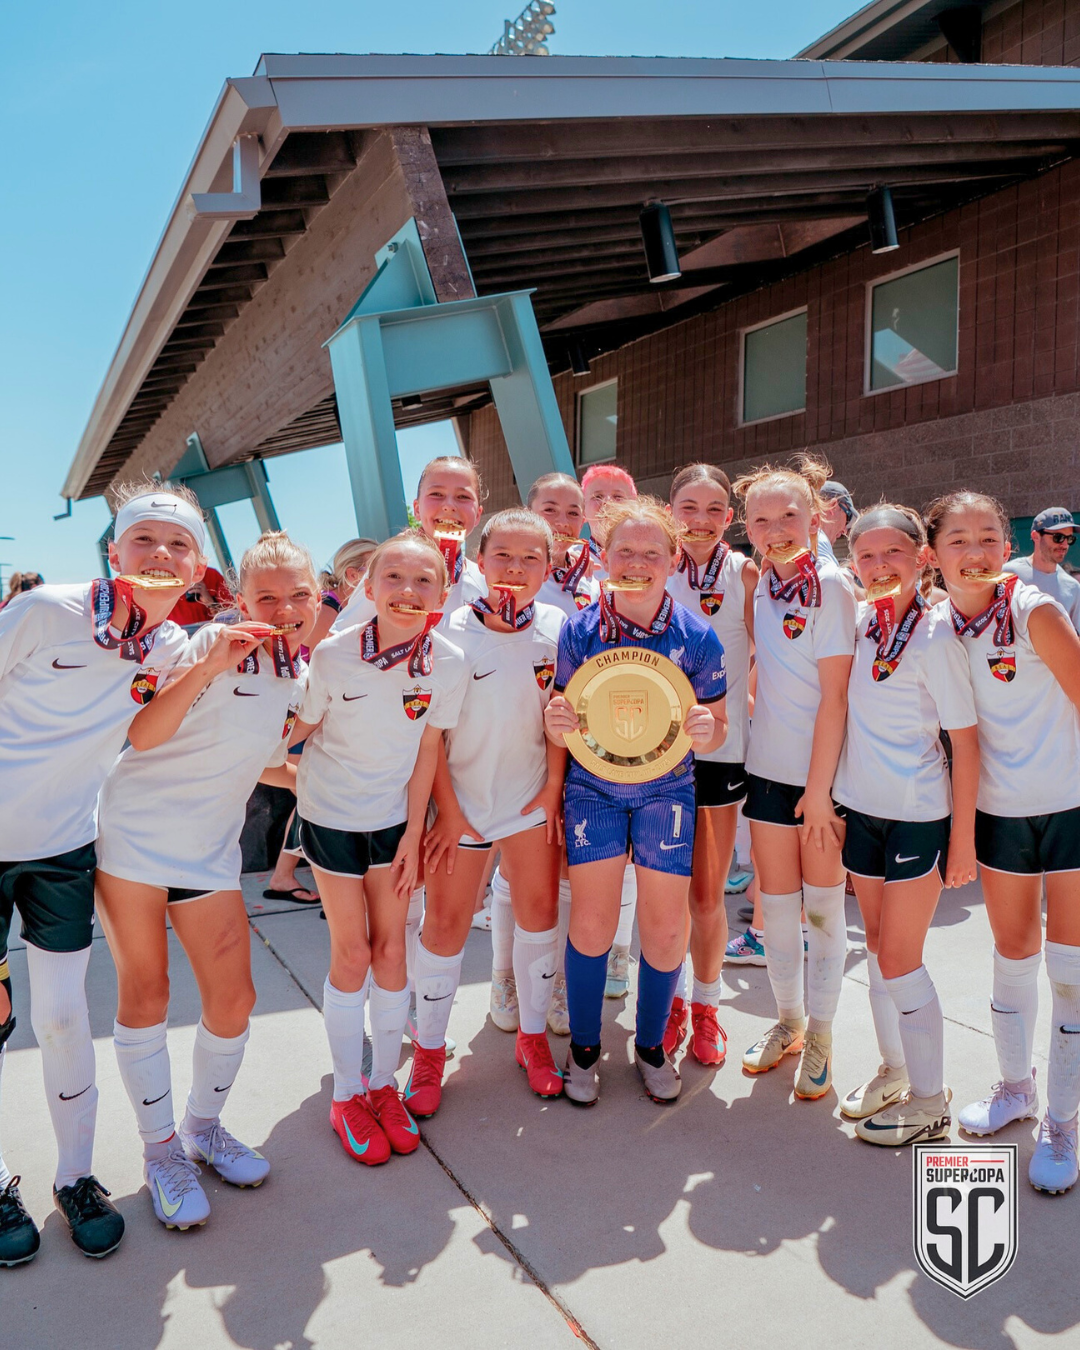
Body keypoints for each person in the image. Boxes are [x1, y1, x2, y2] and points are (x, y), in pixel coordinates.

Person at [94, 532, 318, 1230]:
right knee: (149, 992)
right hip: (133, 837)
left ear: (317, 598)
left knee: (235, 998)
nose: (284, 608)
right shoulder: (196, 645)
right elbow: (142, 736)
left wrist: (316, 777)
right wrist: (211, 663)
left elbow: (256, 758)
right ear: (240, 599)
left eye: (299, 595)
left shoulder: (299, 674)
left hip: (209, 850)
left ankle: (202, 1127)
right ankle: (161, 1153)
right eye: (268, 596)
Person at [0, 483, 196, 1266]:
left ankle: (76, 1178)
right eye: (144, 539)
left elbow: (144, 735)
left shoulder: (172, 646)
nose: (161, 554)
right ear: (114, 551)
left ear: (195, 567)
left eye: (179, 545)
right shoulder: (47, 609)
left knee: (60, 1017)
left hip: (63, 848)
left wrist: (210, 667)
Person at [544, 496, 727, 1106]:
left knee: (665, 926)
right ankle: (586, 1049)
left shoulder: (696, 633)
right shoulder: (579, 628)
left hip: (666, 789)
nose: (639, 561)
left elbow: (719, 724)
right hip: (593, 787)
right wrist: (556, 717)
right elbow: (563, 716)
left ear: (675, 559)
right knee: (593, 922)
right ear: (602, 555)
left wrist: (708, 728)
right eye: (625, 549)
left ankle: (652, 1046)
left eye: (653, 551)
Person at [291, 531, 467, 1165]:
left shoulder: (448, 662)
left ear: (443, 594)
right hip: (331, 818)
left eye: (425, 581)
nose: (408, 591)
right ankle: (345, 1096)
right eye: (394, 577)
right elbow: (295, 733)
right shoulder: (333, 657)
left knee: (394, 949)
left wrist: (417, 831)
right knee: (354, 949)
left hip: (394, 824)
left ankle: (382, 1086)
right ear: (368, 587)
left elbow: (427, 749)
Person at [928, 491, 1080, 1194]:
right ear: (933, 555)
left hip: (1069, 807)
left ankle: (1063, 1121)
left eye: (989, 536)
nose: (976, 551)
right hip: (999, 816)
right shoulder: (935, 628)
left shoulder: (1035, 609)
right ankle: (1017, 1090)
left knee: (1069, 972)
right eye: (957, 539)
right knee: (1012, 955)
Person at [832, 506, 979, 1146]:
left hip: (920, 815)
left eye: (893, 552)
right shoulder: (860, 623)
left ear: (922, 558)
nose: (879, 566)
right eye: (866, 556)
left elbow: (967, 745)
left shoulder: (939, 635)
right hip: (861, 809)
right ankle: (895, 1071)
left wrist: (963, 841)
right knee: (878, 949)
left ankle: (929, 1100)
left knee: (898, 958)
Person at [421, 509, 567, 1104]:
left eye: (531, 557)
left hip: (530, 798)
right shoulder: (447, 630)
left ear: (549, 568)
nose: (514, 568)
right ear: (478, 563)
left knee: (538, 914)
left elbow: (562, 715)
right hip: (460, 804)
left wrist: (553, 788)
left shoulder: (559, 626)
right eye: (502, 555)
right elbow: (428, 736)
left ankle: (532, 1039)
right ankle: (428, 1054)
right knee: (446, 926)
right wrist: (448, 811)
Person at [733, 456, 857, 1100]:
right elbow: (767, 670)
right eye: (762, 518)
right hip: (766, 774)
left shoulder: (832, 587)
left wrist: (818, 791)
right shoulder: (765, 586)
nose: (777, 527)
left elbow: (834, 698)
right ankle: (789, 1023)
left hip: (820, 782)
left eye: (790, 514)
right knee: (775, 914)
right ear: (748, 528)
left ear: (817, 517)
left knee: (823, 910)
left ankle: (825, 1038)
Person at [663, 464, 757, 1066]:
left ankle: (706, 1009)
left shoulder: (746, 571)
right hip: (650, 755)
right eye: (688, 507)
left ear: (730, 517)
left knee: (705, 896)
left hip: (720, 751)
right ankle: (667, 1006)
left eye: (714, 509)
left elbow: (768, 654)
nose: (700, 520)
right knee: (660, 895)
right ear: (670, 509)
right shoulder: (649, 562)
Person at [263, 537, 378, 904]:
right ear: (354, 574)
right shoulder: (329, 605)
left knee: (310, 793)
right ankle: (303, 878)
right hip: (313, 710)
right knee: (313, 793)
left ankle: (287, 876)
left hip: (319, 709)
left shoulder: (339, 604)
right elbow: (315, 649)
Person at [580, 464, 641, 998]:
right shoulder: (561, 569)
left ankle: (620, 952)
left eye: (615, 495)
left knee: (623, 870)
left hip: (639, 743)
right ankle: (533, 978)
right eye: (595, 496)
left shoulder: (649, 560)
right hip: (569, 747)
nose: (604, 503)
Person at [1003, 507, 1080, 633]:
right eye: (1058, 537)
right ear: (1036, 536)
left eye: (1070, 539)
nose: (1065, 545)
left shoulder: (1073, 587)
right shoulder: (1008, 573)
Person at [167, 566, 232, 627]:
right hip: (179, 636)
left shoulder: (212, 575)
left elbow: (232, 621)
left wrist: (210, 602)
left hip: (214, 635)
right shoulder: (162, 583)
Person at [817, 480, 857, 572]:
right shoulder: (817, 541)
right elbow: (829, 581)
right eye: (847, 518)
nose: (845, 531)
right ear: (833, 507)